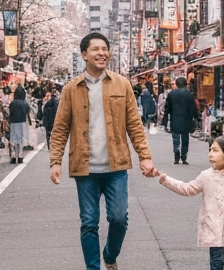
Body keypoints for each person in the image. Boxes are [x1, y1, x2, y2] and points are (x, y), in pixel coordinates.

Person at [49, 33, 157, 270]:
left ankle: (109, 256)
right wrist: (55, 161)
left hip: (115, 167)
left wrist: (145, 156)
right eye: (95, 49)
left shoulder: (122, 84)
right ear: (84, 55)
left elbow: (134, 125)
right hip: (84, 168)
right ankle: (93, 267)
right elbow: (59, 130)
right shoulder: (70, 89)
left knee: (119, 219)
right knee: (89, 222)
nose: (101, 53)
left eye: (105, 49)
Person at [157, 136, 224, 270]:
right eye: (210, 150)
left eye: (215, 150)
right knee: (216, 262)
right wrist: (166, 180)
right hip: (213, 226)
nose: (210, 154)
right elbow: (188, 189)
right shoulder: (206, 176)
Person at [164, 77, 200, 165]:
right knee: (185, 139)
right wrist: (196, 116)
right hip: (186, 119)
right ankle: (184, 156)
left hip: (175, 118)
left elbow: (167, 107)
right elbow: (193, 107)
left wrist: (168, 115)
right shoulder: (189, 94)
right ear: (185, 84)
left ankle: (176, 153)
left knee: (175, 138)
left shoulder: (171, 94)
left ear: (176, 84)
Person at [9, 86, 32, 164]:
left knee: (13, 139)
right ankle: (20, 157)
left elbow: (10, 113)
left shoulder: (12, 103)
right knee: (21, 140)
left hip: (13, 122)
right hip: (22, 122)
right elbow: (27, 113)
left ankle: (13, 156)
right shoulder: (24, 103)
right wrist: (30, 121)